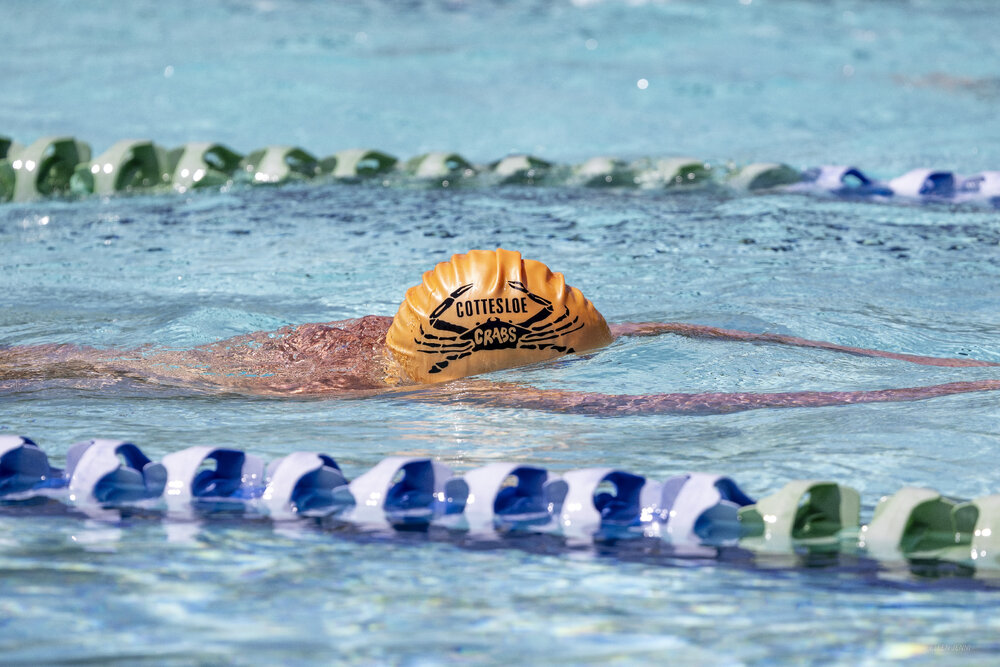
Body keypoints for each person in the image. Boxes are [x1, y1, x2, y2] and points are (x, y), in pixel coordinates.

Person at [2, 249, 997, 415]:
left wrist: (912, 362)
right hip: (159, 379)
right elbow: (674, 398)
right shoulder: (416, 381)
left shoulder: (385, 338)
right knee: (68, 372)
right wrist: (933, 386)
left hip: (182, 359)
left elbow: (659, 332)